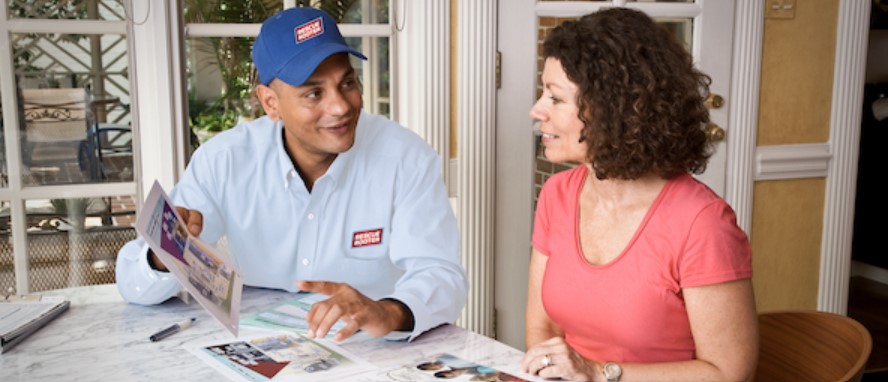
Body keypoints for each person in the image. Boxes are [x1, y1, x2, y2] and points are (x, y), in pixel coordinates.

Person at [115, 7, 467, 343]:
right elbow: (133, 283)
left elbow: (442, 276)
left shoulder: (407, 158)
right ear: (270, 102)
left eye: (347, 83)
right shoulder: (223, 161)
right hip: (255, 347)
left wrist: (388, 312)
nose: (341, 106)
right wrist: (164, 254)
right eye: (314, 93)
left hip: (373, 350)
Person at [519, 8, 758, 382]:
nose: (537, 110)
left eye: (555, 98)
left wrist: (599, 373)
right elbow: (543, 332)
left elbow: (728, 372)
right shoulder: (557, 195)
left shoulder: (702, 223)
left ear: (612, 109)